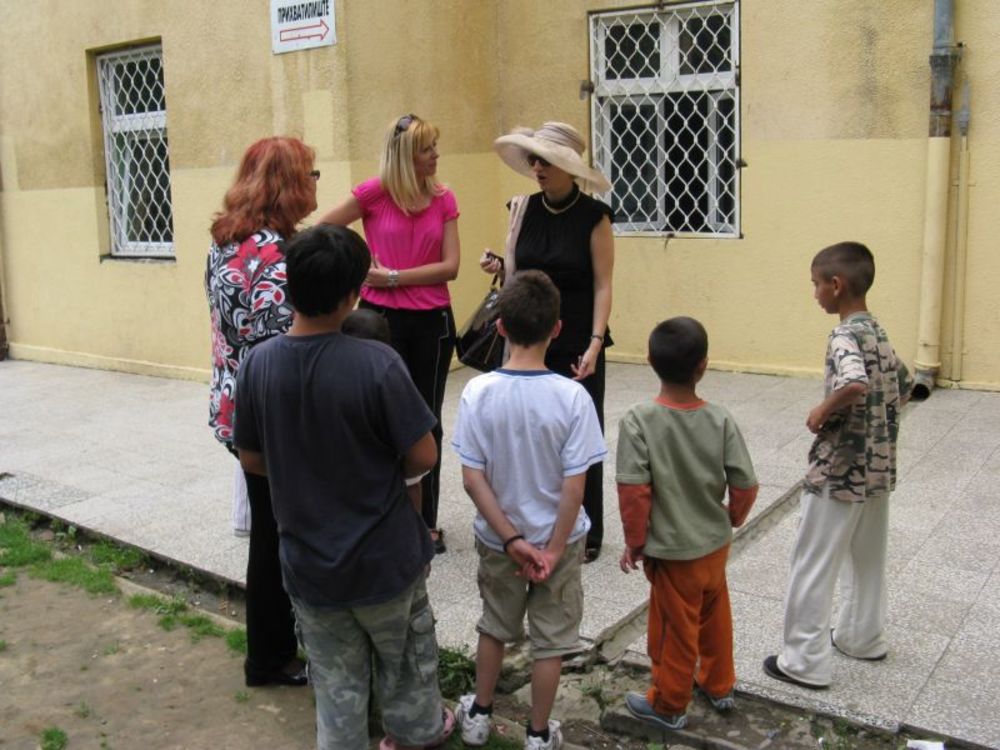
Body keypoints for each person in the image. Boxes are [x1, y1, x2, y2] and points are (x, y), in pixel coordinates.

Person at [234, 224, 455, 750]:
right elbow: (424, 454)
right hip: (386, 564)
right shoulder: (377, 362)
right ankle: (418, 735)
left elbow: (251, 458)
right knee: (406, 672)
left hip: (311, 569)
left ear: (288, 287)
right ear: (355, 292)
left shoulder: (257, 364)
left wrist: (308, 472)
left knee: (336, 691)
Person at [452, 270, 607, 750]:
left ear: (499, 327)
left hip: (500, 540)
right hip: (558, 543)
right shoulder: (573, 397)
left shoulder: (477, 393)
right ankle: (538, 735)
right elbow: (575, 488)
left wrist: (512, 540)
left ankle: (479, 714)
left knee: (494, 625)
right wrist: (554, 549)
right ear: (557, 329)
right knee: (551, 641)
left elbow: (472, 477)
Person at [763, 241, 912, 689]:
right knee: (867, 559)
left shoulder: (844, 334)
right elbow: (903, 382)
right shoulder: (876, 330)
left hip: (840, 469)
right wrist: (877, 428)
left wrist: (822, 411)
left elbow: (853, 383)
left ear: (836, 284)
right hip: (878, 469)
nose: (814, 294)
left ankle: (803, 661)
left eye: (815, 285)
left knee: (813, 562)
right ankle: (862, 637)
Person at [205, 136, 319, 688]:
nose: (317, 184)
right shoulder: (275, 255)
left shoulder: (226, 241)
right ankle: (273, 656)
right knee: (281, 535)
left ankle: (270, 652)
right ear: (289, 184)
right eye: (311, 174)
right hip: (272, 415)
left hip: (236, 405)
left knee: (270, 532)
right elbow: (285, 350)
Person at [318, 113, 460, 554]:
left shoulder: (443, 198)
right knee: (375, 417)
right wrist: (360, 270)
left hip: (432, 321)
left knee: (426, 418)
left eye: (435, 146)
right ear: (405, 155)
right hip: (376, 322)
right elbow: (324, 230)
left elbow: (451, 267)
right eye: (427, 149)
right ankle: (382, 510)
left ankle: (426, 522)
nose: (436, 155)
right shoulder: (373, 193)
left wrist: (395, 276)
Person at [617, 317, 759, 730]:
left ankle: (668, 704)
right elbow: (746, 484)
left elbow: (634, 492)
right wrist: (732, 517)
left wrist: (636, 542)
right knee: (714, 616)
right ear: (704, 366)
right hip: (714, 546)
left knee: (671, 630)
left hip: (674, 552)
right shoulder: (720, 419)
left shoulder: (639, 419)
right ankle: (719, 685)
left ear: (648, 361)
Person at [483, 122, 614, 563]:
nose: (537, 168)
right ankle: (533, 521)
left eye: (547, 161)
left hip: (577, 338)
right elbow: (521, 271)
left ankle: (587, 528)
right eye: (534, 160)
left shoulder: (594, 217)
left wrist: (596, 343)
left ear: (569, 167)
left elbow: (602, 284)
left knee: (580, 436)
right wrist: (500, 265)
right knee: (530, 431)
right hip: (529, 338)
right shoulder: (523, 209)